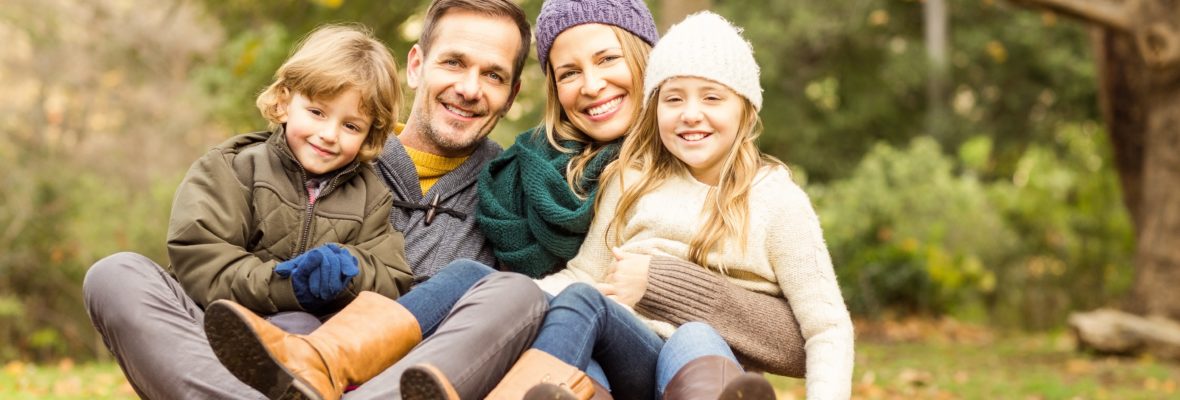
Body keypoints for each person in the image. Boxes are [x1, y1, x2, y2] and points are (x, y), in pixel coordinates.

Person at [83, 2, 544, 399]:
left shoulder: (508, 195)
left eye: (493, 75)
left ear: (512, 93)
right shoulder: (257, 162)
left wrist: (348, 274)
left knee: (512, 295)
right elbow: (200, 261)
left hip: (361, 364)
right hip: (230, 336)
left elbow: (396, 281)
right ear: (418, 64)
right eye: (454, 62)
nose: (469, 87)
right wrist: (288, 285)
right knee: (115, 273)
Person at [438, 11, 856, 399]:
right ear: (654, 107)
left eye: (712, 99)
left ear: (746, 109)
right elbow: (585, 273)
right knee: (583, 308)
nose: (691, 114)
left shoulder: (775, 199)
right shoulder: (632, 179)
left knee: (695, 336)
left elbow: (826, 328)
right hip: (631, 349)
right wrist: (507, 294)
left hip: (703, 361)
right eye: (673, 100)